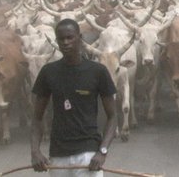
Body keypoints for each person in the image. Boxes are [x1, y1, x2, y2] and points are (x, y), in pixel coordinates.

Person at [31, 19, 117, 177]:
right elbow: (37, 117)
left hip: (88, 155)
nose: (66, 42)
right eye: (61, 39)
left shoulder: (98, 71)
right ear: (56, 41)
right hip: (58, 155)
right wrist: (35, 151)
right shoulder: (48, 72)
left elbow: (112, 116)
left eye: (70, 37)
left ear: (80, 37)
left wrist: (102, 151)